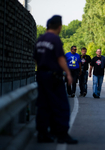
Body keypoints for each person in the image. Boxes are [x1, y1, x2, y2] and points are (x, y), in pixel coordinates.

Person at [33, 15, 78, 144]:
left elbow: (36, 58)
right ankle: (62, 134)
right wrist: (68, 73)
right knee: (61, 105)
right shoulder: (55, 39)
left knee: (43, 105)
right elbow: (61, 58)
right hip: (53, 76)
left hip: (41, 75)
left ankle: (43, 133)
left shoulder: (40, 39)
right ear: (59, 26)